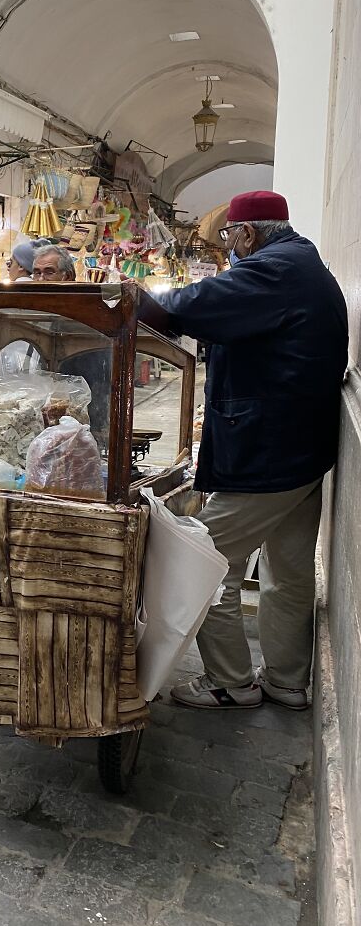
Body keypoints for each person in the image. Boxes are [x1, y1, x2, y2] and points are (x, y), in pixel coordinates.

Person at [161, 191, 347, 711]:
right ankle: (286, 681)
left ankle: (229, 681)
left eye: (230, 237)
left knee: (201, 557)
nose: (230, 247)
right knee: (287, 571)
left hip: (269, 452)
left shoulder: (274, 270)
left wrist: (133, 299)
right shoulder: (303, 263)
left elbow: (192, 305)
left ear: (246, 233)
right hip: (302, 450)